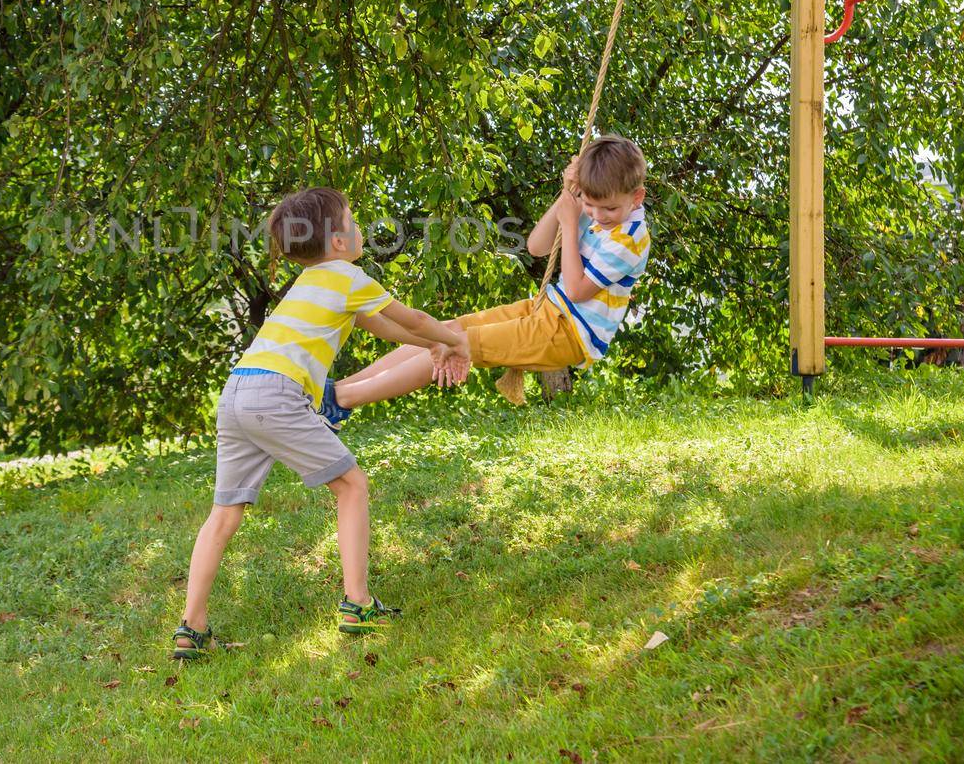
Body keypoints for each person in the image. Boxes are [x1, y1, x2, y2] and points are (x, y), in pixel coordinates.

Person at [171, 187, 469, 659]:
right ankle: (358, 602)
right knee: (351, 486)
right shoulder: (346, 275)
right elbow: (410, 316)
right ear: (336, 241)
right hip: (277, 394)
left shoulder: (309, 283)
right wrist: (455, 340)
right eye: (352, 221)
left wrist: (433, 344)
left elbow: (390, 328)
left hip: (236, 393)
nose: (360, 228)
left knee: (224, 514)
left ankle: (191, 627)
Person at [328, 135, 650, 413]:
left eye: (608, 210)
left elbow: (579, 290)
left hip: (569, 333)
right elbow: (537, 247)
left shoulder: (629, 240)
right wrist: (566, 198)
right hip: (546, 309)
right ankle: (336, 387)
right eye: (592, 206)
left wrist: (570, 222)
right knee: (446, 331)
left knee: (458, 344)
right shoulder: (596, 205)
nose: (598, 215)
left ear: (637, 197)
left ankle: (337, 401)